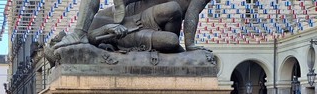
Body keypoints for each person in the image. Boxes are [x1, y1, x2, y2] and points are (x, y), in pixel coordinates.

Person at [54, 0, 210, 52]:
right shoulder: (101, 19)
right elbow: (92, 37)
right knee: (172, 39)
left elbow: (192, 13)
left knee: (173, 12)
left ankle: (172, 49)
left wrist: (189, 45)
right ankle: (79, 33)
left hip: (145, 20)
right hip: (131, 26)